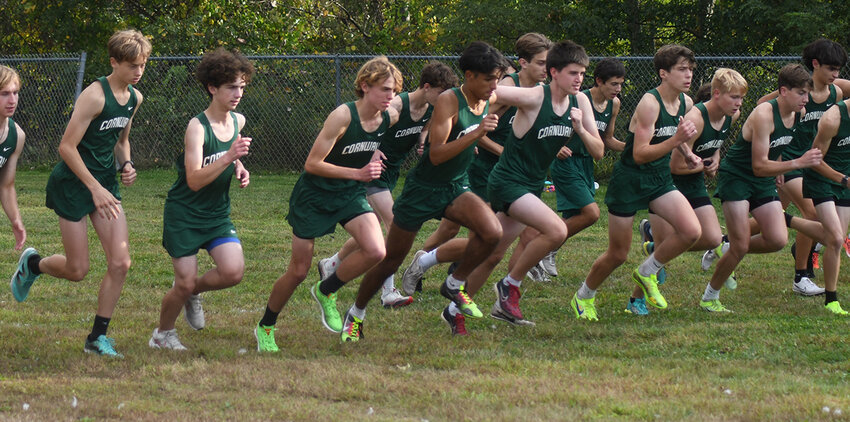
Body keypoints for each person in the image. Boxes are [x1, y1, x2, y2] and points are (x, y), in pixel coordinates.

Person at [341, 41, 506, 340]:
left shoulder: (488, 98)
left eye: (498, 78)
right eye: (488, 79)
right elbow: (436, 154)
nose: (494, 85)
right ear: (469, 75)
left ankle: (454, 284)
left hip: (455, 186)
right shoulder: (448, 101)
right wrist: (479, 134)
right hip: (423, 189)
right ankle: (356, 313)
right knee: (391, 259)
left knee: (493, 233)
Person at [9, 30, 151, 357]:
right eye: (132, 65)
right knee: (78, 270)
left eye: (142, 65)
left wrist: (126, 163)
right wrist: (94, 187)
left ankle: (96, 338)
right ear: (114, 62)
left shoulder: (135, 98)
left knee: (121, 262)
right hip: (74, 184)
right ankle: (33, 264)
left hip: (104, 184)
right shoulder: (95, 96)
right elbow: (66, 147)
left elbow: (120, 139)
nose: (138, 72)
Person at [254, 56, 400, 352]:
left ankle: (327, 289)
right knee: (297, 271)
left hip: (349, 193)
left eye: (394, 91)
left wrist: (371, 156)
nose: (391, 96)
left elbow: (368, 143)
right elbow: (312, 163)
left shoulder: (389, 116)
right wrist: (359, 171)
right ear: (364, 86)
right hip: (315, 195)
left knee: (376, 250)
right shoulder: (342, 116)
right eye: (385, 89)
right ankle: (266, 326)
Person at [451, 39, 601, 325]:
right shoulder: (534, 96)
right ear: (554, 72)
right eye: (573, 72)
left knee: (493, 253)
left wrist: (580, 128)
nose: (579, 79)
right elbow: (488, 93)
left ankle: (455, 311)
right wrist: (466, 117)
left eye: (582, 73)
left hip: (531, 186)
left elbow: (598, 151)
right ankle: (510, 286)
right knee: (556, 230)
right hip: (507, 182)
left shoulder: (580, 101)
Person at [401, 33, 552, 294]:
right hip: (484, 168)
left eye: (548, 64)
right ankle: (423, 264)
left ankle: (465, 281)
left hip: (511, 173)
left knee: (491, 237)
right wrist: (501, 150)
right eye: (541, 63)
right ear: (524, 63)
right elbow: (474, 126)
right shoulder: (502, 87)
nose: (546, 70)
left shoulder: (535, 93)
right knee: (460, 230)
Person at [570, 44, 702, 321]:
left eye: (691, 69)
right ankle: (583, 296)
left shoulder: (685, 103)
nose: (688, 75)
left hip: (659, 179)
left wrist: (688, 154)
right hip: (629, 180)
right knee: (617, 253)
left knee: (691, 231)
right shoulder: (649, 102)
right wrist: (677, 142)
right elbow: (640, 154)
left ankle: (647, 271)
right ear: (663, 73)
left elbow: (672, 138)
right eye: (682, 69)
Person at [317, 62, 458, 308]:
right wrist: (372, 152)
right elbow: (367, 128)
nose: (445, 99)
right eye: (441, 92)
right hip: (372, 172)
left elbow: (424, 127)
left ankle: (331, 264)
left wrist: (423, 139)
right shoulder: (395, 106)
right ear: (426, 87)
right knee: (395, 225)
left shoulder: (430, 108)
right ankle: (388, 292)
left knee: (377, 232)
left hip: (391, 172)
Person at [148, 48, 254, 350]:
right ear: (212, 88)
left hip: (216, 214)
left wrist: (239, 167)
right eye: (231, 87)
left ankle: (192, 291)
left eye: (241, 87)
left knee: (233, 272)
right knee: (182, 281)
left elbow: (228, 157)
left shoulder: (238, 121)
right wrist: (230, 157)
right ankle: (162, 335)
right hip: (184, 213)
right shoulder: (197, 128)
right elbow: (194, 179)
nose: (237, 94)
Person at [627, 68, 747, 315]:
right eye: (734, 97)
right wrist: (704, 166)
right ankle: (634, 301)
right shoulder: (696, 118)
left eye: (741, 98)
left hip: (693, 183)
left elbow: (714, 143)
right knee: (665, 251)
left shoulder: (731, 116)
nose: (739, 103)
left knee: (713, 238)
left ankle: (654, 244)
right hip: (667, 183)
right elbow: (676, 166)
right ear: (716, 94)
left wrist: (714, 158)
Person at [704, 64, 822, 312]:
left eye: (807, 93)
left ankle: (724, 247)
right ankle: (710, 297)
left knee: (777, 239)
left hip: (762, 181)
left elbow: (774, 147)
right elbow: (758, 165)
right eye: (801, 92)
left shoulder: (797, 113)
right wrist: (796, 163)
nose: (806, 99)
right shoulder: (764, 114)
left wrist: (778, 165)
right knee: (741, 246)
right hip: (737, 177)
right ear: (783, 91)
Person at [758, 39, 846, 295]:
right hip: (790, 161)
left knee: (773, 214)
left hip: (813, 163)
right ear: (815, 64)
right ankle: (801, 276)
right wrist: (775, 152)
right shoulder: (798, 89)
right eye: (831, 68)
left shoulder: (836, 93)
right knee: (813, 213)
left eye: (839, 69)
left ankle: (725, 242)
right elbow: (764, 104)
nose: (836, 74)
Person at [541, 58, 626, 277]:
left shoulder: (614, 104)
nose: (618, 89)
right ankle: (542, 249)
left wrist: (633, 147)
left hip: (586, 163)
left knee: (573, 217)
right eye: (614, 84)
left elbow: (607, 139)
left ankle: (542, 251)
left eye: (621, 84)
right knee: (591, 213)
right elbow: (549, 125)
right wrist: (554, 148)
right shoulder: (578, 98)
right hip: (564, 162)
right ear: (599, 81)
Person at [0, 66, 29, 253]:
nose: (12, 100)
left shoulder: (16, 135)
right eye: (4, 94)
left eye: (15, 93)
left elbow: (6, 185)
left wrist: (16, 220)